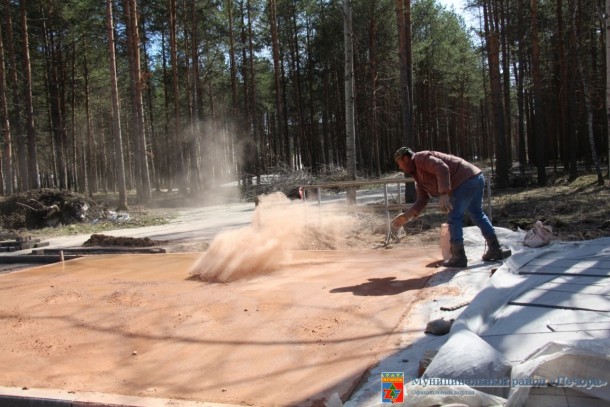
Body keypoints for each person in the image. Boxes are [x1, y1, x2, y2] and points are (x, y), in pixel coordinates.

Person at [391, 147, 510, 267]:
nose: (400, 167)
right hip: (475, 177)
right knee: (477, 213)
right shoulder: (417, 174)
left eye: (399, 163)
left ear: (406, 158)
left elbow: (442, 168)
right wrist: (407, 215)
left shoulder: (421, 158)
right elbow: (423, 198)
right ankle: (495, 249)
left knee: (454, 217)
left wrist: (443, 194)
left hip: (465, 180)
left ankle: (459, 257)